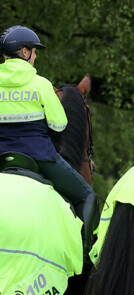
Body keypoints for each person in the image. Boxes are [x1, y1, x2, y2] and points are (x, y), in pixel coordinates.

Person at [0, 25, 98, 258]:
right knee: (87, 196)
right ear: (24, 53)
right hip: (39, 156)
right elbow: (59, 125)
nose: (35, 56)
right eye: (34, 51)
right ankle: (84, 255)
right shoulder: (41, 84)